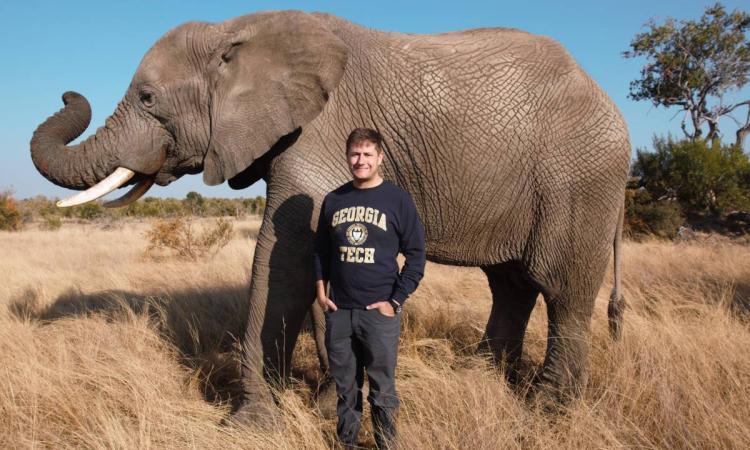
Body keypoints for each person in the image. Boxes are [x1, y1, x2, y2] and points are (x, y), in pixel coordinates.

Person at [313, 128, 426, 449]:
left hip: (379, 314)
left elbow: (416, 254)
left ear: (379, 158)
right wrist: (322, 293)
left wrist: (395, 301)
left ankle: (385, 444)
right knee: (346, 389)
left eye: (367, 155)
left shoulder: (397, 200)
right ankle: (347, 443)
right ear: (347, 156)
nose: (360, 161)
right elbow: (321, 251)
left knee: (382, 389)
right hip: (340, 312)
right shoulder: (334, 200)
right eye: (354, 154)